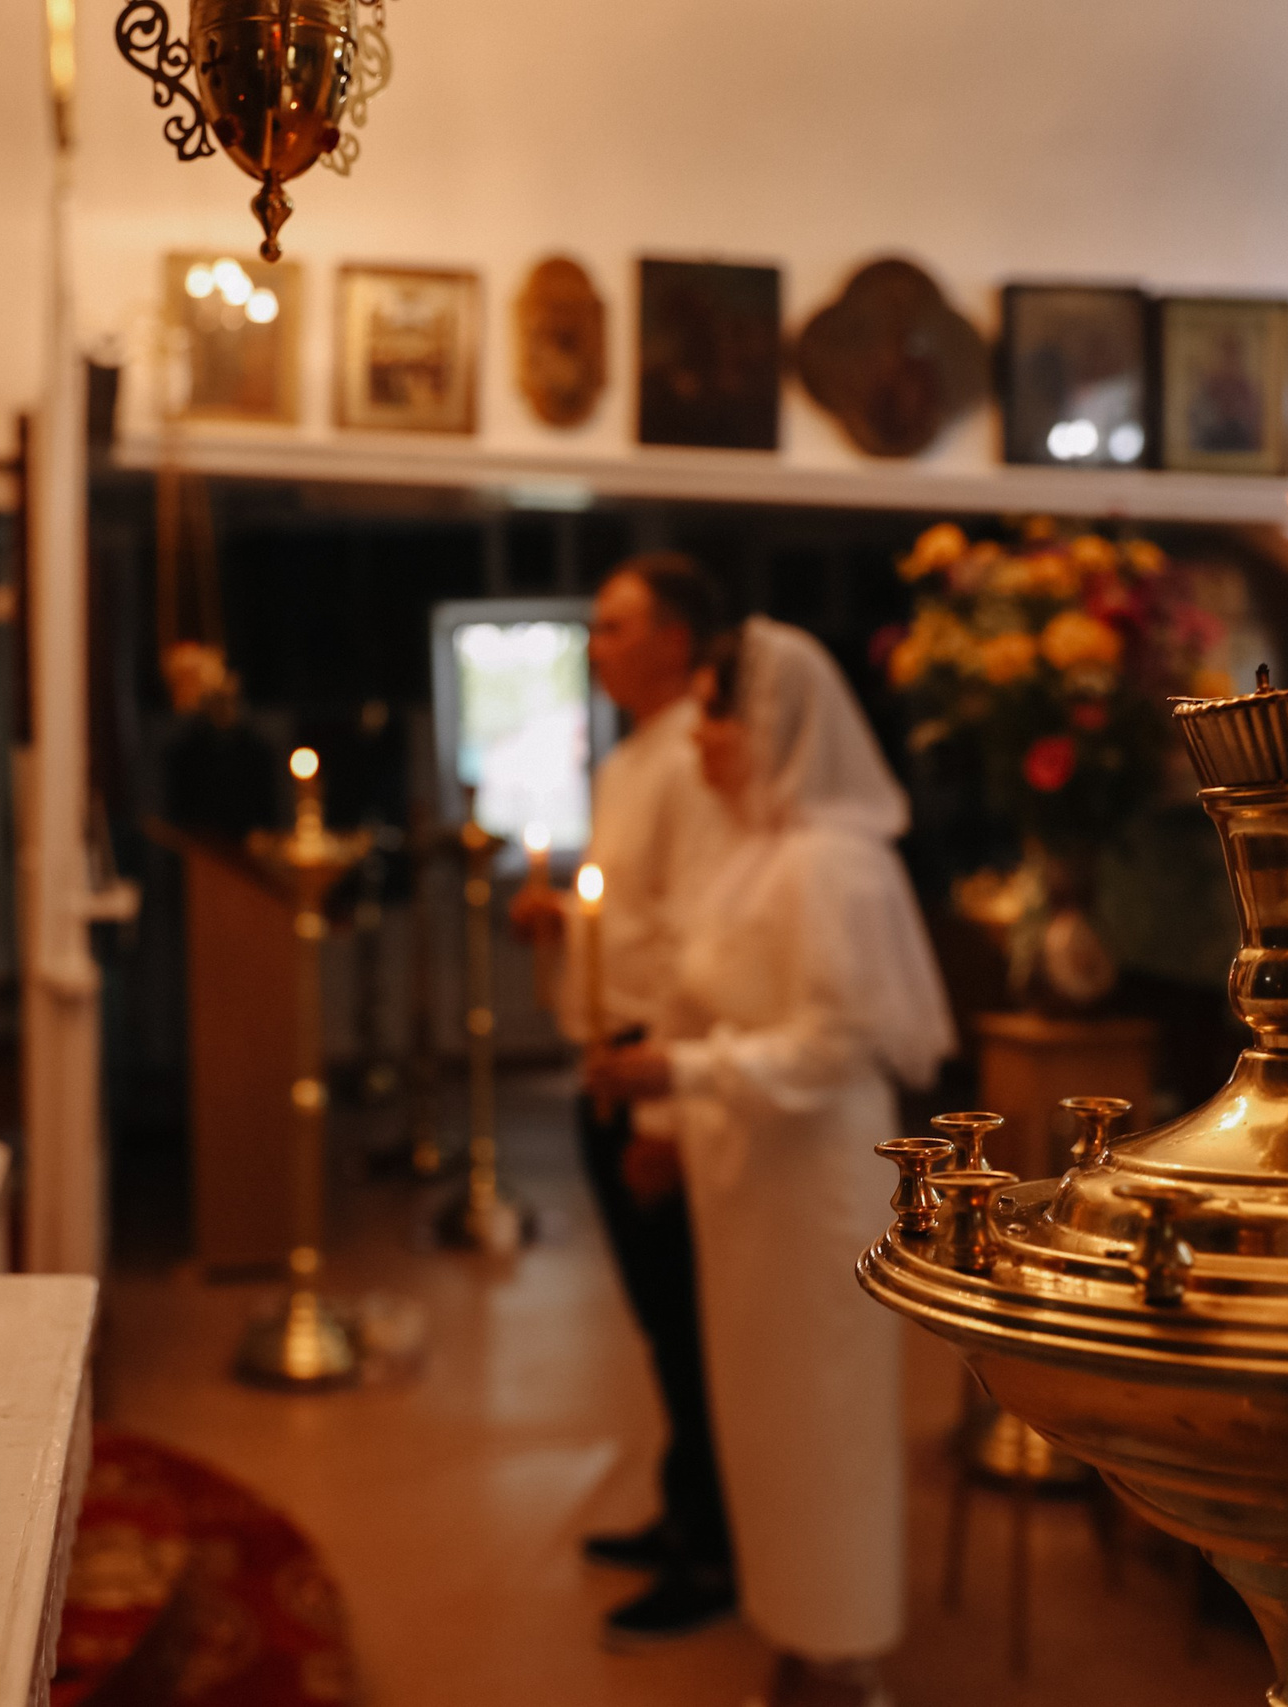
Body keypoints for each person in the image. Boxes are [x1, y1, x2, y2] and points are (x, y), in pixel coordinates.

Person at [587, 617, 956, 1707]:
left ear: (775, 724)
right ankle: (795, 1621)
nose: (697, 736)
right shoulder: (754, 849)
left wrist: (682, 1080)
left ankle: (843, 1649)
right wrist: (668, 1119)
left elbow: (838, 1043)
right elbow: (713, 1001)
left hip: (815, 1179)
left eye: (715, 711)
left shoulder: (833, 864)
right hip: (749, 1172)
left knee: (822, 1416)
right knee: (762, 1415)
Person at [508, 552, 737, 1644]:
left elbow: (700, 944)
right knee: (659, 1322)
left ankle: (715, 1547)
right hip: (617, 1057)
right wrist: (567, 925)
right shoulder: (636, 755)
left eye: (613, 627)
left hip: (661, 1072)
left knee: (689, 1323)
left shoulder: (699, 756)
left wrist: (666, 1118)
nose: (593, 646)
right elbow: (637, 918)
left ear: (677, 640)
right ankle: (683, 1505)